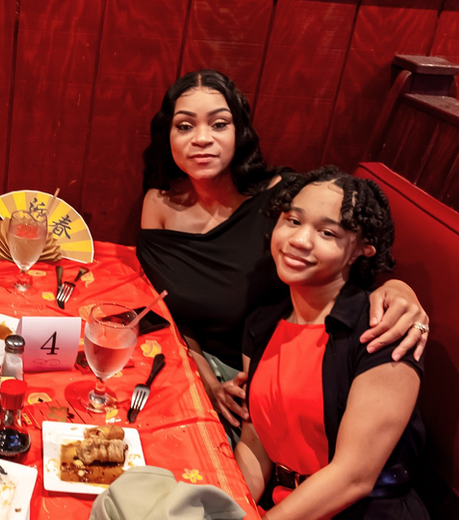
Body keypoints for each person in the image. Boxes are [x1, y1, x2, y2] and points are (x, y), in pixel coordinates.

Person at [135, 69, 429, 434]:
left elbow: (356, 254)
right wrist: (206, 380)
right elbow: (169, 310)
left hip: (283, 375)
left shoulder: (289, 202)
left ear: (239, 131)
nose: (202, 139)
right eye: (184, 126)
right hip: (197, 366)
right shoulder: (160, 205)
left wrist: (400, 290)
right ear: (167, 136)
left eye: (219, 124)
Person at [233, 167, 433, 520]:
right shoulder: (263, 321)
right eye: (293, 220)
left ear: (362, 248)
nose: (300, 240)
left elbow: (353, 476)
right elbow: (256, 442)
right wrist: (230, 513)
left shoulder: (381, 329)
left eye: (328, 233)